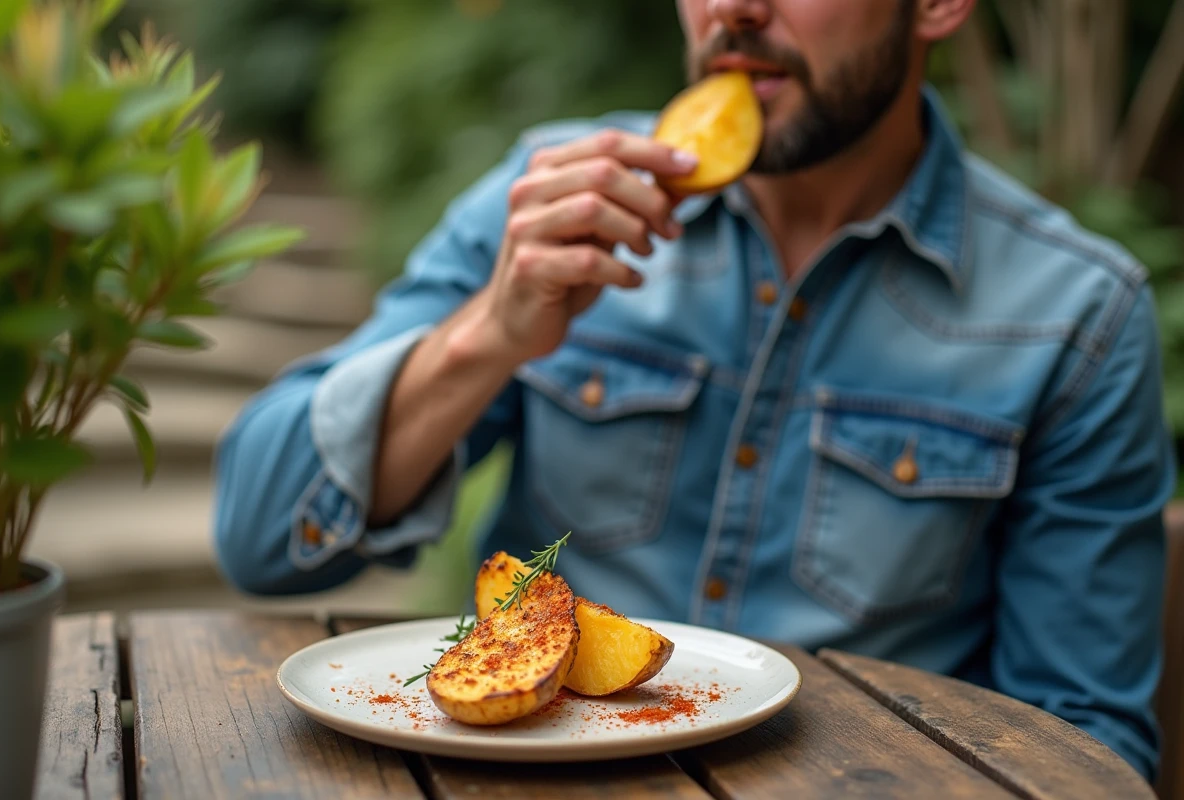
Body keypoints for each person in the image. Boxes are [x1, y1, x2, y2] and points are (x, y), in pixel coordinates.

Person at [212, 0, 1175, 781]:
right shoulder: (555, 204)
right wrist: (490, 332)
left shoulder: (1076, 314)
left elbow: (1084, 748)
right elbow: (262, 537)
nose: (733, 9)